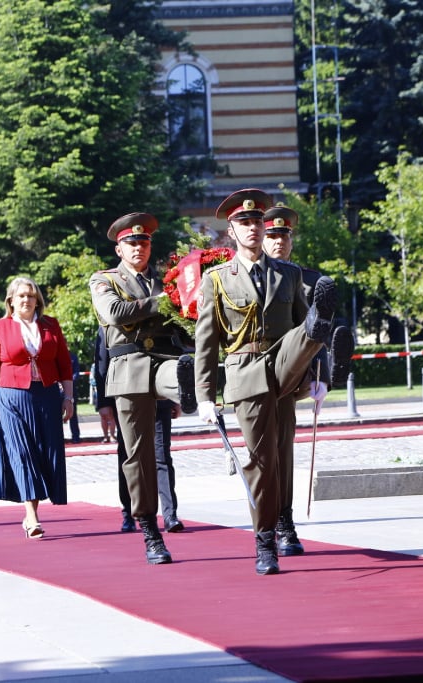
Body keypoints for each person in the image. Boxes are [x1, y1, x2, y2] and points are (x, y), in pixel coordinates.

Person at [194, 188, 339, 575]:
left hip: (285, 366)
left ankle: (318, 329)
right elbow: (206, 341)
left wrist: (317, 377)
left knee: (305, 330)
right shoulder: (218, 279)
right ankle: (265, 540)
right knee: (264, 462)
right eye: (245, 223)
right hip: (245, 373)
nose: (254, 228)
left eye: (257, 221)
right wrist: (205, 395)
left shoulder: (289, 274)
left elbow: (293, 320)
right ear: (233, 232)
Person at [90, 212, 197, 565]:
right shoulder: (104, 279)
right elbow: (116, 313)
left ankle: (190, 386)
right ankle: (149, 528)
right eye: (131, 243)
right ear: (119, 249)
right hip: (128, 368)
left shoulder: (167, 280)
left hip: (164, 362)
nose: (139, 247)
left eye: (144, 242)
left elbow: (179, 325)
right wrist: (161, 303)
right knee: (138, 456)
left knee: (178, 373)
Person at [260, 204, 354, 555]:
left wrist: (324, 377)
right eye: (272, 235)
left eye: (283, 235)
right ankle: (266, 523)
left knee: (283, 451)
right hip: (254, 369)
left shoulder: (311, 280)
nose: (278, 242)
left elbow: (322, 332)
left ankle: (284, 522)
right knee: (261, 455)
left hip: (292, 372)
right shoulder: (247, 276)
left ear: (291, 240)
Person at [0, 277, 73, 538]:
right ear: (11, 300)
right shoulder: (0, 327)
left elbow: (64, 365)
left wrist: (67, 398)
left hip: (46, 396)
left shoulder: (50, 326)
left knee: (44, 453)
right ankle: (32, 516)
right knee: (22, 453)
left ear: (38, 300)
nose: (26, 300)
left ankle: (32, 511)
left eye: (31, 296)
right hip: (11, 397)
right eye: (21, 295)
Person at [93, 327, 182, 534]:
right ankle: (129, 512)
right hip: (128, 395)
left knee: (162, 457)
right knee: (130, 456)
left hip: (160, 399)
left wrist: (175, 395)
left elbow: (174, 350)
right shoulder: (112, 319)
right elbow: (103, 364)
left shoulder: (160, 313)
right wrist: (104, 403)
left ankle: (170, 514)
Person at [67, 351, 81, 443]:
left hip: (71, 389)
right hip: (57, 390)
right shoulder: (55, 355)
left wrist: (68, 383)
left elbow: (76, 373)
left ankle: (75, 436)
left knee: (73, 414)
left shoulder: (73, 357)